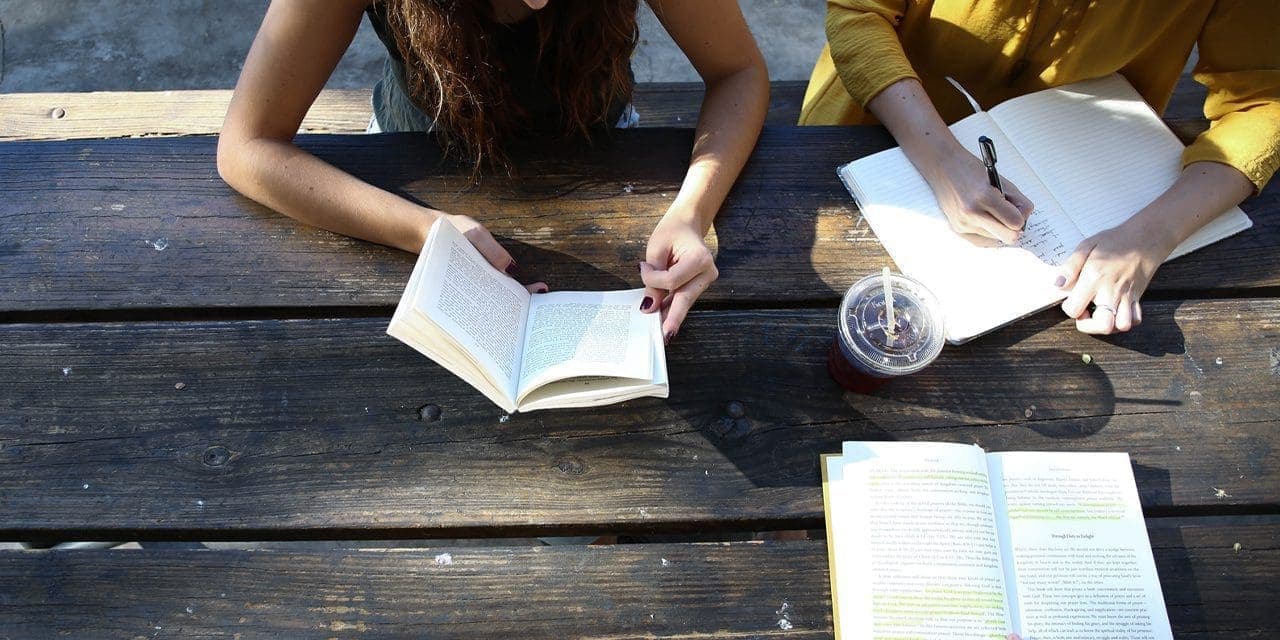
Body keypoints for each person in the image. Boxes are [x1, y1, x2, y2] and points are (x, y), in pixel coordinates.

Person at [218, 0, 769, 342]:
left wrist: (692, 212)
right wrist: (425, 229)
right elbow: (247, 145)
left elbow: (739, 71)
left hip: (603, 155)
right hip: (407, 173)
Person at [801, 1, 1279, 335]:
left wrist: (1152, 234)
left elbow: (1264, 100)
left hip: (1095, 170)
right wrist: (942, 159)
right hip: (874, 125)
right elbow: (860, 12)